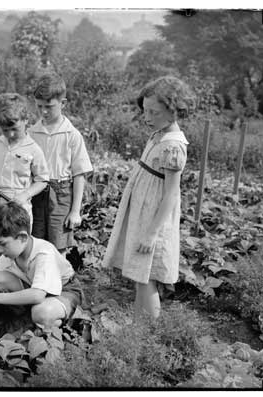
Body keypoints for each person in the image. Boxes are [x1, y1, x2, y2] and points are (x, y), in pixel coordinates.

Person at [102, 76, 195, 319]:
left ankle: (149, 334)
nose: (147, 117)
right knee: (138, 274)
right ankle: (138, 326)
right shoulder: (159, 135)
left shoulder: (173, 146)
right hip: (142, 213)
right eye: (145, 111)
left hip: (154, 218)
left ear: (173, 111)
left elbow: (171, 195)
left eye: (153, 112)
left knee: (146, 279)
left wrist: (152, 233)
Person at [0, 202, 83, 330]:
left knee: (42, 313)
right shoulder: (8, 255)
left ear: (23, 237)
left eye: (3, 244)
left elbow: (37, 295)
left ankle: (61, 324)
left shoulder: (43, 253)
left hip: (64, 290)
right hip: (36, 287)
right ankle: (28, 315)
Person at [29, 74, 93, 253]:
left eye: (49, 107)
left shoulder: (71, 135)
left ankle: (58, 278)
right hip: (36, 192)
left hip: (61, 194)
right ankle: (39, 277)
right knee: (36, 240)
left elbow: (79, 174)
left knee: (59, 243)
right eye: (39, 106)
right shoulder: (32, 133)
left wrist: (75, 211)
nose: (44, 112)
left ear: (63, 103)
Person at [0, 93, 49, 225]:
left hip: (18, 206)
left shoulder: (33, 149)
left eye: (15, 129)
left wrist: (25, 195)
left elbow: (42, 180)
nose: (10, 134)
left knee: (15, 241)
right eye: (5, 130)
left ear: (26, 120)